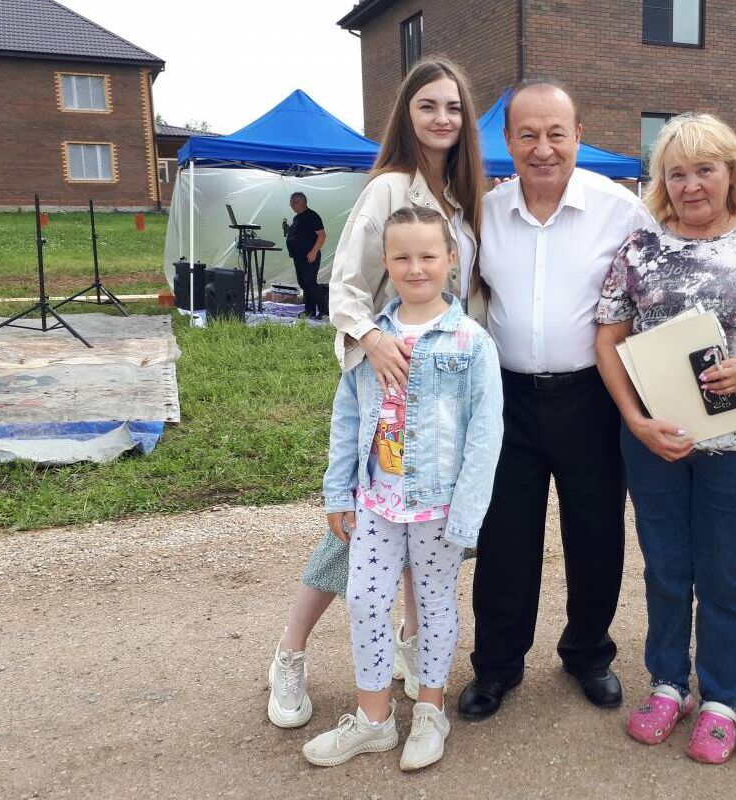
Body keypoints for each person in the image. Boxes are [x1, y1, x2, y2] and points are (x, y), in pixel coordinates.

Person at [266, 57, 486, 729]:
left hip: (444, 391)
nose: (443, 117)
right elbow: (348, 285)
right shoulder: (391, 187)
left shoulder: (457, 197)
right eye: (429, 106)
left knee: (426, 537)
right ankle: (289, 654)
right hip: (390, 383)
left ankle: (414, 647)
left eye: (453, 106)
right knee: (352, 536)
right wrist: (371, 338)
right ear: (407, 115)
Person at [595, 113, 736, 764]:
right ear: (662, 184)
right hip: (657, 441)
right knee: (665, 567)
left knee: (726, 574)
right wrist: (633, 419)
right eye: (676, 173)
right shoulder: (641, 247)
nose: (691, 185)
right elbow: (608, 338)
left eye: (704, 169)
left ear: (731, 173)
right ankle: (667, 684)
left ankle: (719, 697)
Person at [457, 79, 654, 721]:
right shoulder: (483, 214)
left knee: (596, 532)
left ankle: (589, 653)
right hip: (507, 399)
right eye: (528, 135)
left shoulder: (619, 209)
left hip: (593, 396)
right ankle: (496, 667)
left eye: (556, 134)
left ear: (577, 136)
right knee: (506, 537)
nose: (543, 149)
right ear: (507, 141)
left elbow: (666, 274)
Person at [302, 206, 503, 770]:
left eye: (427, 256)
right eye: (402, 257)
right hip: (377, 502)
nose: (415, 268)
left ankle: (430, 712)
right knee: (365, 599)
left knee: (434, 606)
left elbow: (486, 437)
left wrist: (467, 515)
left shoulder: (471, 344)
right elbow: (347, 418)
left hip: (439, 507)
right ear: (386, 263)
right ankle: (373, 720)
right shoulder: (371, 339)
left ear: (450, 260)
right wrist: (338, 493)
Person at [284, 192, 328, 318]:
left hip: (309, 256)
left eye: (295, 202)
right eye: (291, 202)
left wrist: (313, 252)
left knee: (310, 284)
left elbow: (322, 235)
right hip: (299, 257)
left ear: (303, 202)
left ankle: (324, 311)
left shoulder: (311, 216)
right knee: (304, 284)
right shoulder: (298, 218)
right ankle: (309, 311)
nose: (292, 205)